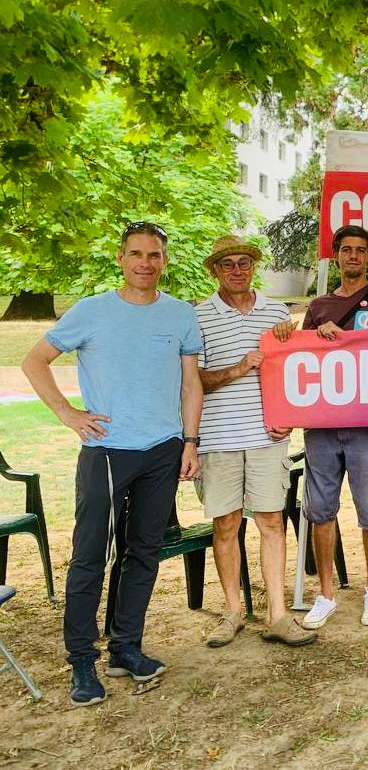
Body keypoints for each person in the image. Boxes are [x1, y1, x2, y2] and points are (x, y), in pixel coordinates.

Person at [21, 222, 203, 707]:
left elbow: (190, 385)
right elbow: (34, 361)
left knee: (142, 552)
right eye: (137, 253)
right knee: (90, 557)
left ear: (166, 260)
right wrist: (67, 412)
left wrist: (190, 442)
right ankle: (82, 658)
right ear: (121, 258)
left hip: (163, 450)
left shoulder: (181, 315)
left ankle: (126, 647)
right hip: (106, 450)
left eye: (155, 254)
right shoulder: (91, 311)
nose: (146, 262)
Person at [193, 236, 313, 648]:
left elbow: (291, 373)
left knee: (271, 521)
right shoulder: (200, 317)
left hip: (267, 435)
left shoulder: (276, 312)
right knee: (225, 524)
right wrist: (239, 368)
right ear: (215, 271)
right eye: (228, 265)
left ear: (253, 267)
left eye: (244, 263)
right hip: (218, 436)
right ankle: (232, 612)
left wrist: (289, 417)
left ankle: (278, 614)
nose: (237, 270)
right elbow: (195, 382)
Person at [293, 225, 368, 630]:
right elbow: (300, 358)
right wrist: (315, 337)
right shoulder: (318, 305)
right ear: (336, 255)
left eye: (361, 250)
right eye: (346, 250)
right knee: (321, 509)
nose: (353, 257)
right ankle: (325, 594)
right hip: (323, 423)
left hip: (367, 422)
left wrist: (349, 336)